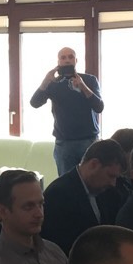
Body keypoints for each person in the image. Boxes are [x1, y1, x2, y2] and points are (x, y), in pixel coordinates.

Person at [40, 139, 127, 254]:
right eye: (110, 176)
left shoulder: (107, 192)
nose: (113, 183)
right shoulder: (58, 195)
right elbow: (58, 246)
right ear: (94, 164)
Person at [29, 47, 104, 177]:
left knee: (93, 180)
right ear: (58, 62)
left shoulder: (90, 80)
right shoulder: (52, 83)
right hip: (64, 143)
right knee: (67, 183)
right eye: (63, 58)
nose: (67, 60)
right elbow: (34, 103)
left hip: (89, 141)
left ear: (76, 60)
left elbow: (99, 107)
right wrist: (45, 81)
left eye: (70, 57)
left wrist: (83, 86)